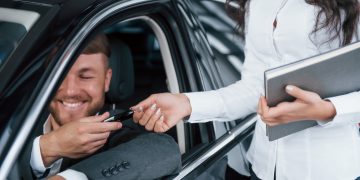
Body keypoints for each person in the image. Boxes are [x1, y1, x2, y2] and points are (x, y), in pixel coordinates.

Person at [131, 0, 360, 179]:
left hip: (329, 170)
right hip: (262, 167)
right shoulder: (256, 3)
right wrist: (187, 104)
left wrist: (327, 110)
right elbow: (255, 87)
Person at [30, 34, 181, 179]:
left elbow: (164, 149)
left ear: (107, 80)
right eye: (59, 75)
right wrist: (49, 147)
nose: (70, 90)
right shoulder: (18, 122)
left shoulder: (118, 127)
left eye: (85, 77)